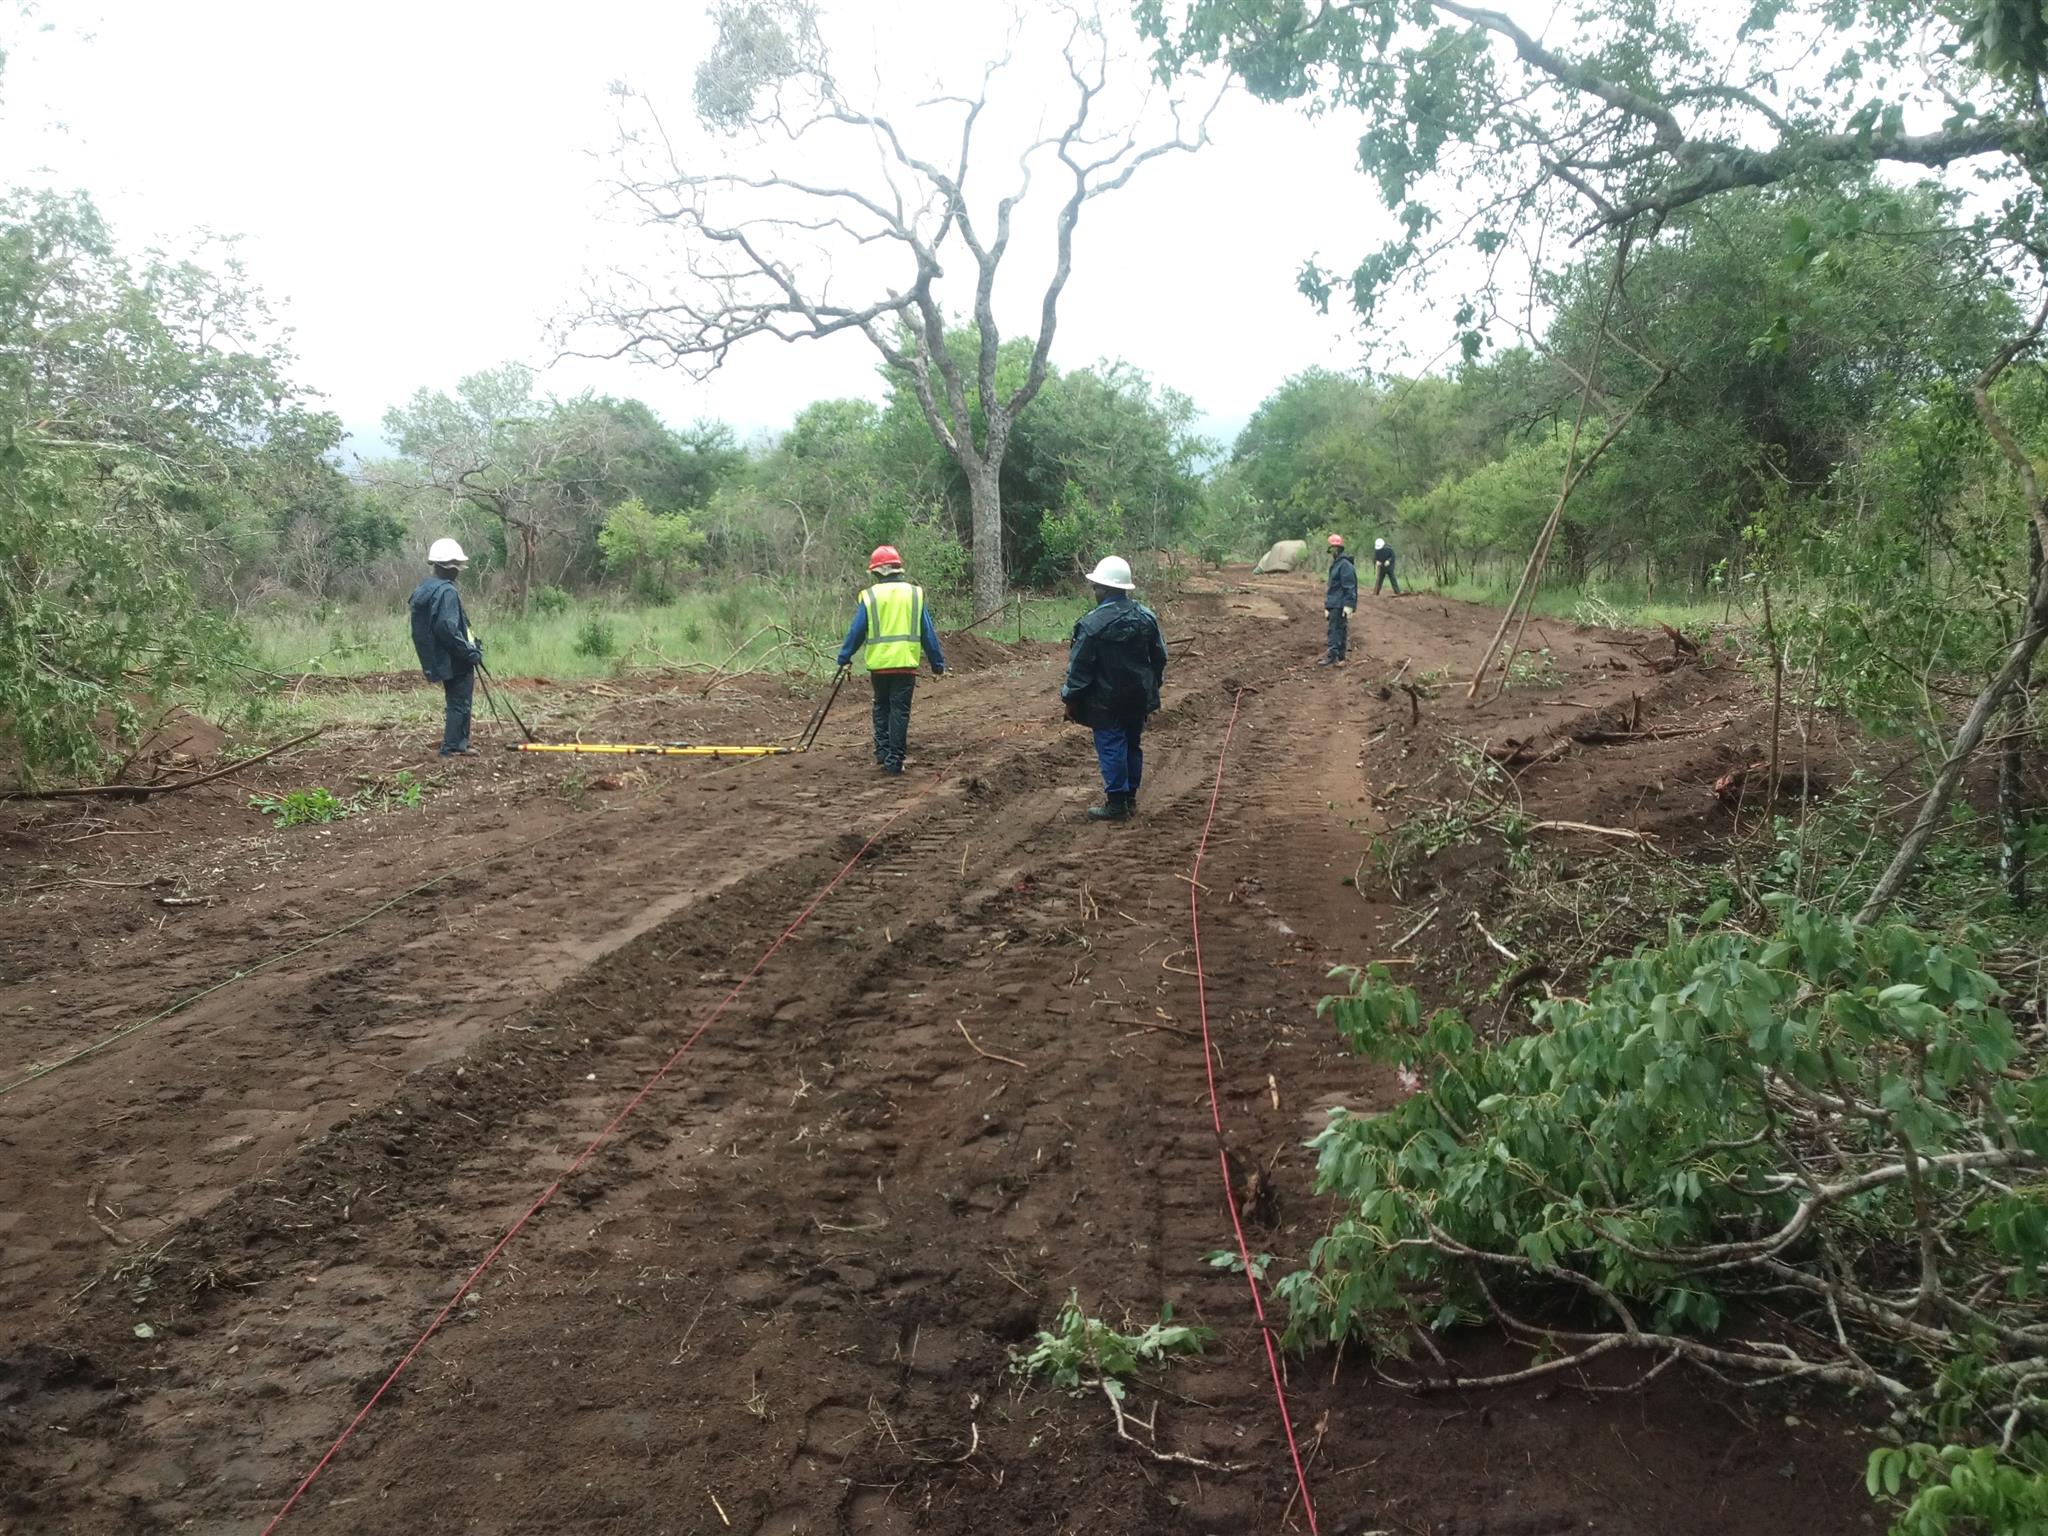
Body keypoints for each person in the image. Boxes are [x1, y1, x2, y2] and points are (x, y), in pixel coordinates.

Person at [1061, 554, 1168, 823]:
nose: (1094, 591)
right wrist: (1151, 686)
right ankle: (1129, 798)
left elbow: (1080, 670)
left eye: (1097, 587)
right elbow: (1160, 657)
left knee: (1111, 746)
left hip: (1105, 703)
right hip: (1137, 698)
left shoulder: (1091, 625)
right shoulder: (1146, 617)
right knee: (1132, 744)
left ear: (1106, 589)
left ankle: (1117, 804)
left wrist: (1071, 700)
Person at [835, 544, 945, 774]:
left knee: (881, 706)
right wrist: (937, 663)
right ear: (897, 568)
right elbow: (927, 632)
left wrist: (845, 656)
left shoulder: (870, 596)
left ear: (878, 571)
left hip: (879, 665)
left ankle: (883, 752)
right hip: (905, 664)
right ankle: (895, 761)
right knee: (899, 711)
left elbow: (857, 631)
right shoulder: (914, 594)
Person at [409, 538, 484, 758]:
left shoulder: (425, 588)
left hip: (438, 657)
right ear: (450, 567)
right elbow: (446, 627)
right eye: (457, 566)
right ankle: (453, 747)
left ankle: (456, 744)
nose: (458, 571)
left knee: (455, 700)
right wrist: (468, 652)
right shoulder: (447, 591)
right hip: (454, 657)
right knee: (460, 701)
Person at [1320, 533, 1356, 667]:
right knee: (1339, 630)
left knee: (1335, 630)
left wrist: (1349, 604)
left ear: (1338, 549)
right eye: (1332, 548)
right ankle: (1340, 658)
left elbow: (1349, 585)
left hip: (1339, 603)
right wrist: (1327, 606)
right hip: (1334, 602)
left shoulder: (1344, 565)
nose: (1333, 551)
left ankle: (1333, 656)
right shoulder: (1337, 564)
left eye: (1334, 548)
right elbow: (1332, 587)